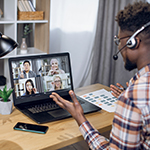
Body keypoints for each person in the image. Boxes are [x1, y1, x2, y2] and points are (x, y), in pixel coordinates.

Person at [50, 2, 150, 149]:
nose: (119, 48)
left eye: (119, 41)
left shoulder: (133, 98)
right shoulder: (137, 90)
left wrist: (80, 117)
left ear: (132, 42)